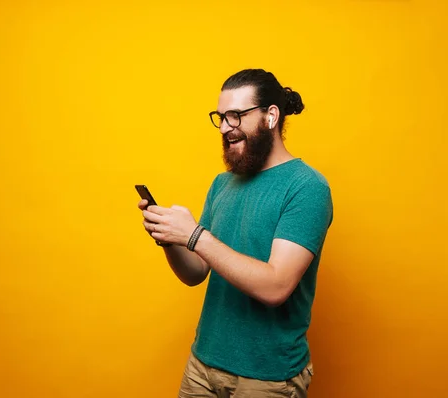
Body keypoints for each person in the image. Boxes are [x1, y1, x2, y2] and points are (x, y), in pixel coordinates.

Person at [137, 69, 333, 397]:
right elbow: (196, 272)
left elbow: (276, 286)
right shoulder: (222, 184)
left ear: (271, 116)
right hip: (203, 364)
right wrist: (171, 239)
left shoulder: (306, 187)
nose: (226, 127)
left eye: (236, 116)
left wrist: (195, 235)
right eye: (221, 117)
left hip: (267, 378)